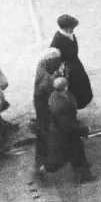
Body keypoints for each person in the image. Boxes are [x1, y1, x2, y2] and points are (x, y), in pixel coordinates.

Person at [47, 77, 97, 184]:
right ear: (65, 87)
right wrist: (84, 129)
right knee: (77, 154)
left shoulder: (53, 96)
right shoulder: (63, 106)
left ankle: (83, 172)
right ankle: (83, 176)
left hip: (59, 132)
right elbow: (69, 126)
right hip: (66, 135)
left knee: (74, 154)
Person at [50, 14, 93, 110]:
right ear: (66, 28)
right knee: (74, 88)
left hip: (76, 64)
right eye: (72, 28)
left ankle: (82, 101)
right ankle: (75, 105)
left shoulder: (69, 34)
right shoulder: (57, 42)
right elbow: (54, 61)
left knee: (82, 83)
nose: (73, 30)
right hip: (68, 69)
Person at [32, 48, 63, 180]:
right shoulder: (46, 78)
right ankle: (45, 163)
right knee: (47, 131)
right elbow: (48, 88)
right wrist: (56, 77)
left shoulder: (42, 66)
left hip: (41, 104)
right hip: (44, 106)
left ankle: (40, 157)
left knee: (42, 129)